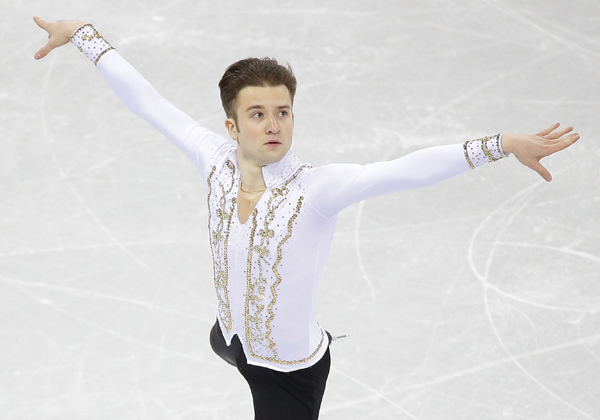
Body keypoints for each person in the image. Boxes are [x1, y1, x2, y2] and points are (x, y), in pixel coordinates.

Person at [33, 17, 580, 420]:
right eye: (257, 114)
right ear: (232, 126)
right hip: (230, 337)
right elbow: (148, 101)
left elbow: (405, 170)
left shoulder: (316, 190)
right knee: (227, 340)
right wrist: (83, 34)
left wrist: (502, 144)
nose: (274, 125)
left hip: (288, 373)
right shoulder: (213, 159)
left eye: (283, 112)